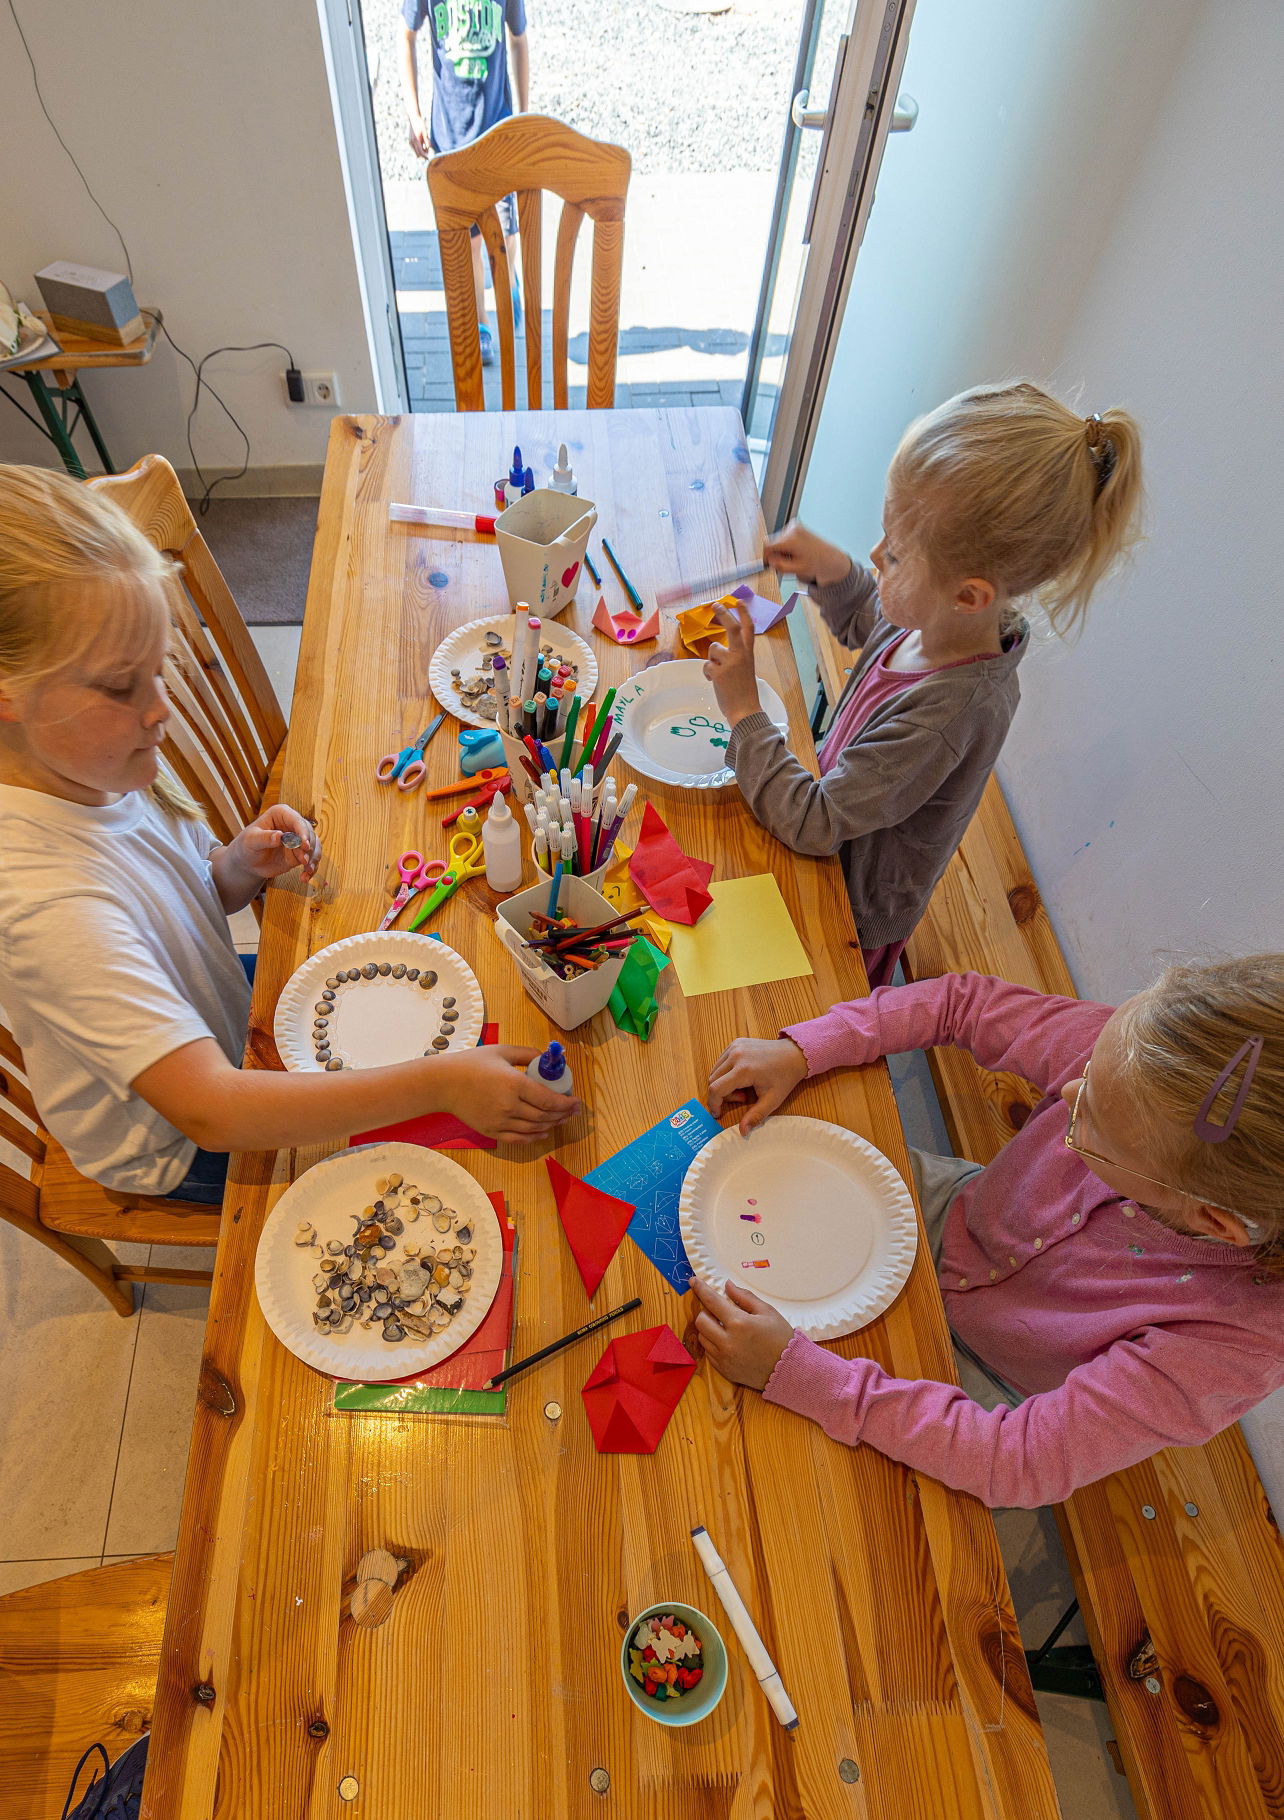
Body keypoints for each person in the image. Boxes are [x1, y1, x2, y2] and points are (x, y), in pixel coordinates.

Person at [0, 466, 578, 1203]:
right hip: (178, 1142)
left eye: (159, 670)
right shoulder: (45, 907)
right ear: (9, 697)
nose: (160, 709)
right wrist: (437, 1085)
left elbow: (170, 908)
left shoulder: (87, 769)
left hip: (216, 1018)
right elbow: (211, 1110)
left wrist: (235, 867)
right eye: (121, 685)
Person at [693, 960, 1284, 1508]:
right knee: (733, 1194)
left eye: (1091, 1120)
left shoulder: (1237, 1345)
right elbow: (961, 1005)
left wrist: (803, 1376)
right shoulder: (1141, 1066)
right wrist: (807, 1048)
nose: (1071, 1089)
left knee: (773, 1474)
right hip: (947, 1210)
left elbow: (1017, 1461)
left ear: (1214, 1222)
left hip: (982, 1376)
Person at [702, 381, 1143, 986]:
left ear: (969, 595)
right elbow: (874, 619)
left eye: (899, 553)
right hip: (831, 826)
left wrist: (743, 711)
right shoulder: (941, 624)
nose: (877, 554)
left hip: (846, 912)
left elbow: (814, 821)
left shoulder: (948, 714)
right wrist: (834, 572)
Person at [400, 0, 530, 367]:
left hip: (498, 129)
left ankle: (507, 278)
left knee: (504, 234)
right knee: (470, 237)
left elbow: (518, 39)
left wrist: (523, 113)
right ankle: (482, 323)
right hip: (450, 135)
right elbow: (405, 35)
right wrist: (414, 114)